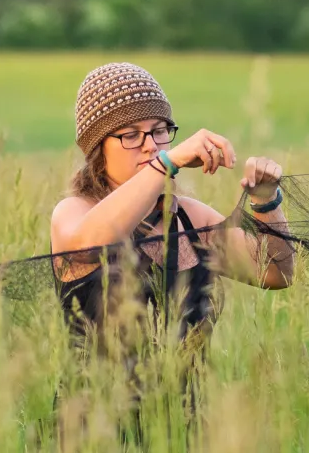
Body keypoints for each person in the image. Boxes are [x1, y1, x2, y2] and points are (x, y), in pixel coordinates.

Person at [49, 61, 294, 426]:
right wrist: (167, 162)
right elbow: (89, 244)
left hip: (182, 432)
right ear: (98, 149)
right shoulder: (74, 213)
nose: (150, 146)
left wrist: (266, 201)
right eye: (130, 134)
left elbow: (275, 273)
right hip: (95, 434)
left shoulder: (190, 218)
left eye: (160, 131)